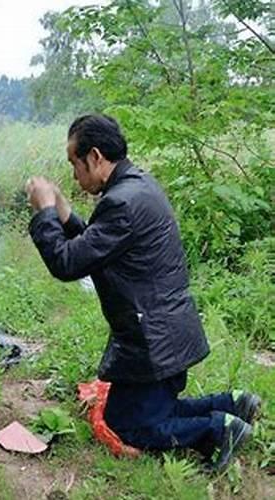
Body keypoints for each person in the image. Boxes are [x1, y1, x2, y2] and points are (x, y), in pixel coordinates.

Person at [24, 114, 261, 471]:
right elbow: (97, 243)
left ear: (95, 157)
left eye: (75, 163)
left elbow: (67, 263)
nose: (74, 174)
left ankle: (219, 429)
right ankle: (233, 404)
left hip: (153, 340)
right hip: (164, 330)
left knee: (130, 426)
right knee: (150, 412)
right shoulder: (137, 186)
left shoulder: (122, 202)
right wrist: (62, 211)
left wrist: (44, 214)